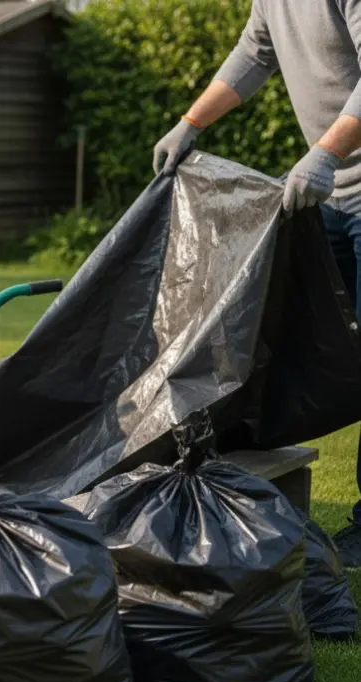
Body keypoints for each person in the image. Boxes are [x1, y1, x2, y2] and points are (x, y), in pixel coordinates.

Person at [153, 0, 361, 540]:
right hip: (335, 200)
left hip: (339, 177)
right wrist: (190, 123)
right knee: (309, 342)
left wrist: (327, 154)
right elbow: (254, 54)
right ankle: (251, 491)